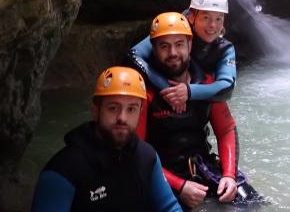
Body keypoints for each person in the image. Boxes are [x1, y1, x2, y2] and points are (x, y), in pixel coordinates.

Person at [136, 12, 261, 210]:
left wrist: (228, 175)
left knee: (252, 203)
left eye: (179, 44)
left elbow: (226, 129)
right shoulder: (145, 92)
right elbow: (136, 151)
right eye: (164, 46)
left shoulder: (207, 83)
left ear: (190, 46)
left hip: (202, 164)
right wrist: (180, 186)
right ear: (154, 50)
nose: (173, 53)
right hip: (163, 171)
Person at [31, 67, 181, 212]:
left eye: (131, 109)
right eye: (113, 108)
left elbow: (169, 207)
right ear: (95, 111)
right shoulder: (63, 170)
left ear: (140, 113)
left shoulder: (147, 157)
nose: (122, 117)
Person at [126, 0, 236, 113]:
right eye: (206, 18)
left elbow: (227, 87)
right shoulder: (175, 28)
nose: (213, 25)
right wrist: (170, 90)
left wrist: (188, 92)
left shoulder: (224, 49)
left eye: (218, 19)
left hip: (194, 100)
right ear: (191, 16)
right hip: (161, 95)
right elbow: (132, 57)